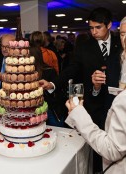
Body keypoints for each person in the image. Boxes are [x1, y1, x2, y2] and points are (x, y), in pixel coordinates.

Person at [39, 7, 122, 172]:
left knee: (115, 146)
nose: (94, 32)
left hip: (117, 103)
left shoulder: (121, 42)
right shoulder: (84, 45)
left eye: (98, 27)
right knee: (92, 147)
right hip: (93, 104)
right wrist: (53, 84)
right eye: (91, 28)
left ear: (109, 25)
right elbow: (72, 69)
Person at [65, 16, 126, 174]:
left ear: (109, 26)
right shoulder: (89, 48)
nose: (125, 40)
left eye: (98, 27)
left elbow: (113, 149)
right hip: (103, 116)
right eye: (123, 34)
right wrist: (96, 86)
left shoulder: (117, 49)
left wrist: (77, 112)